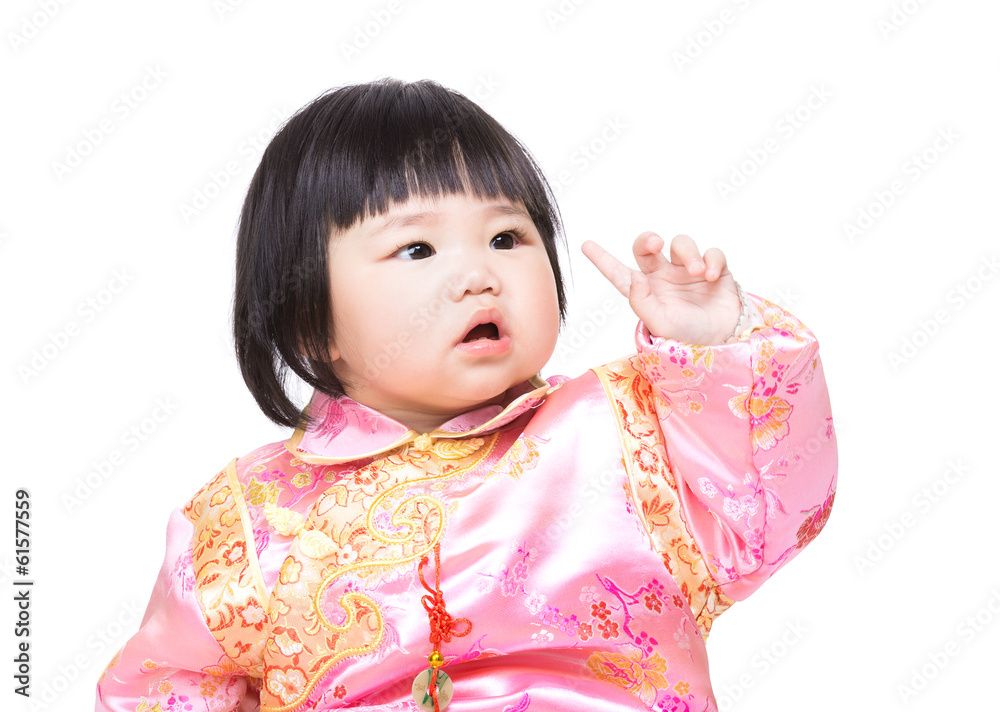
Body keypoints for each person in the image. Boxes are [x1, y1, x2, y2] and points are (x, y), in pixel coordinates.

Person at [95, 78, 837, 712]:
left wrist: (714, 350)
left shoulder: (629, 431)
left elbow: (773, 504)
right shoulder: (249, 521)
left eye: (506, 238)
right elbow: (164, 687)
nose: (480, 275)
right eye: (416, 248)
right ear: (310, 320)